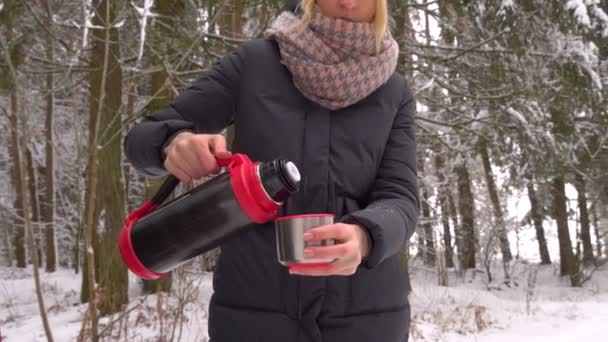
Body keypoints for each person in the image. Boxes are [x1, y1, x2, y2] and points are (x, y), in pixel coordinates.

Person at [123, 0, 419, 341]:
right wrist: (172, 143)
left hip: (369, 320)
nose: (348, 1)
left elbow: (401, 199)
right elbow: (142, 137)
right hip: (252, 317)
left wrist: (367, 236)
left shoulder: (394, 92)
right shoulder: (254, 65)